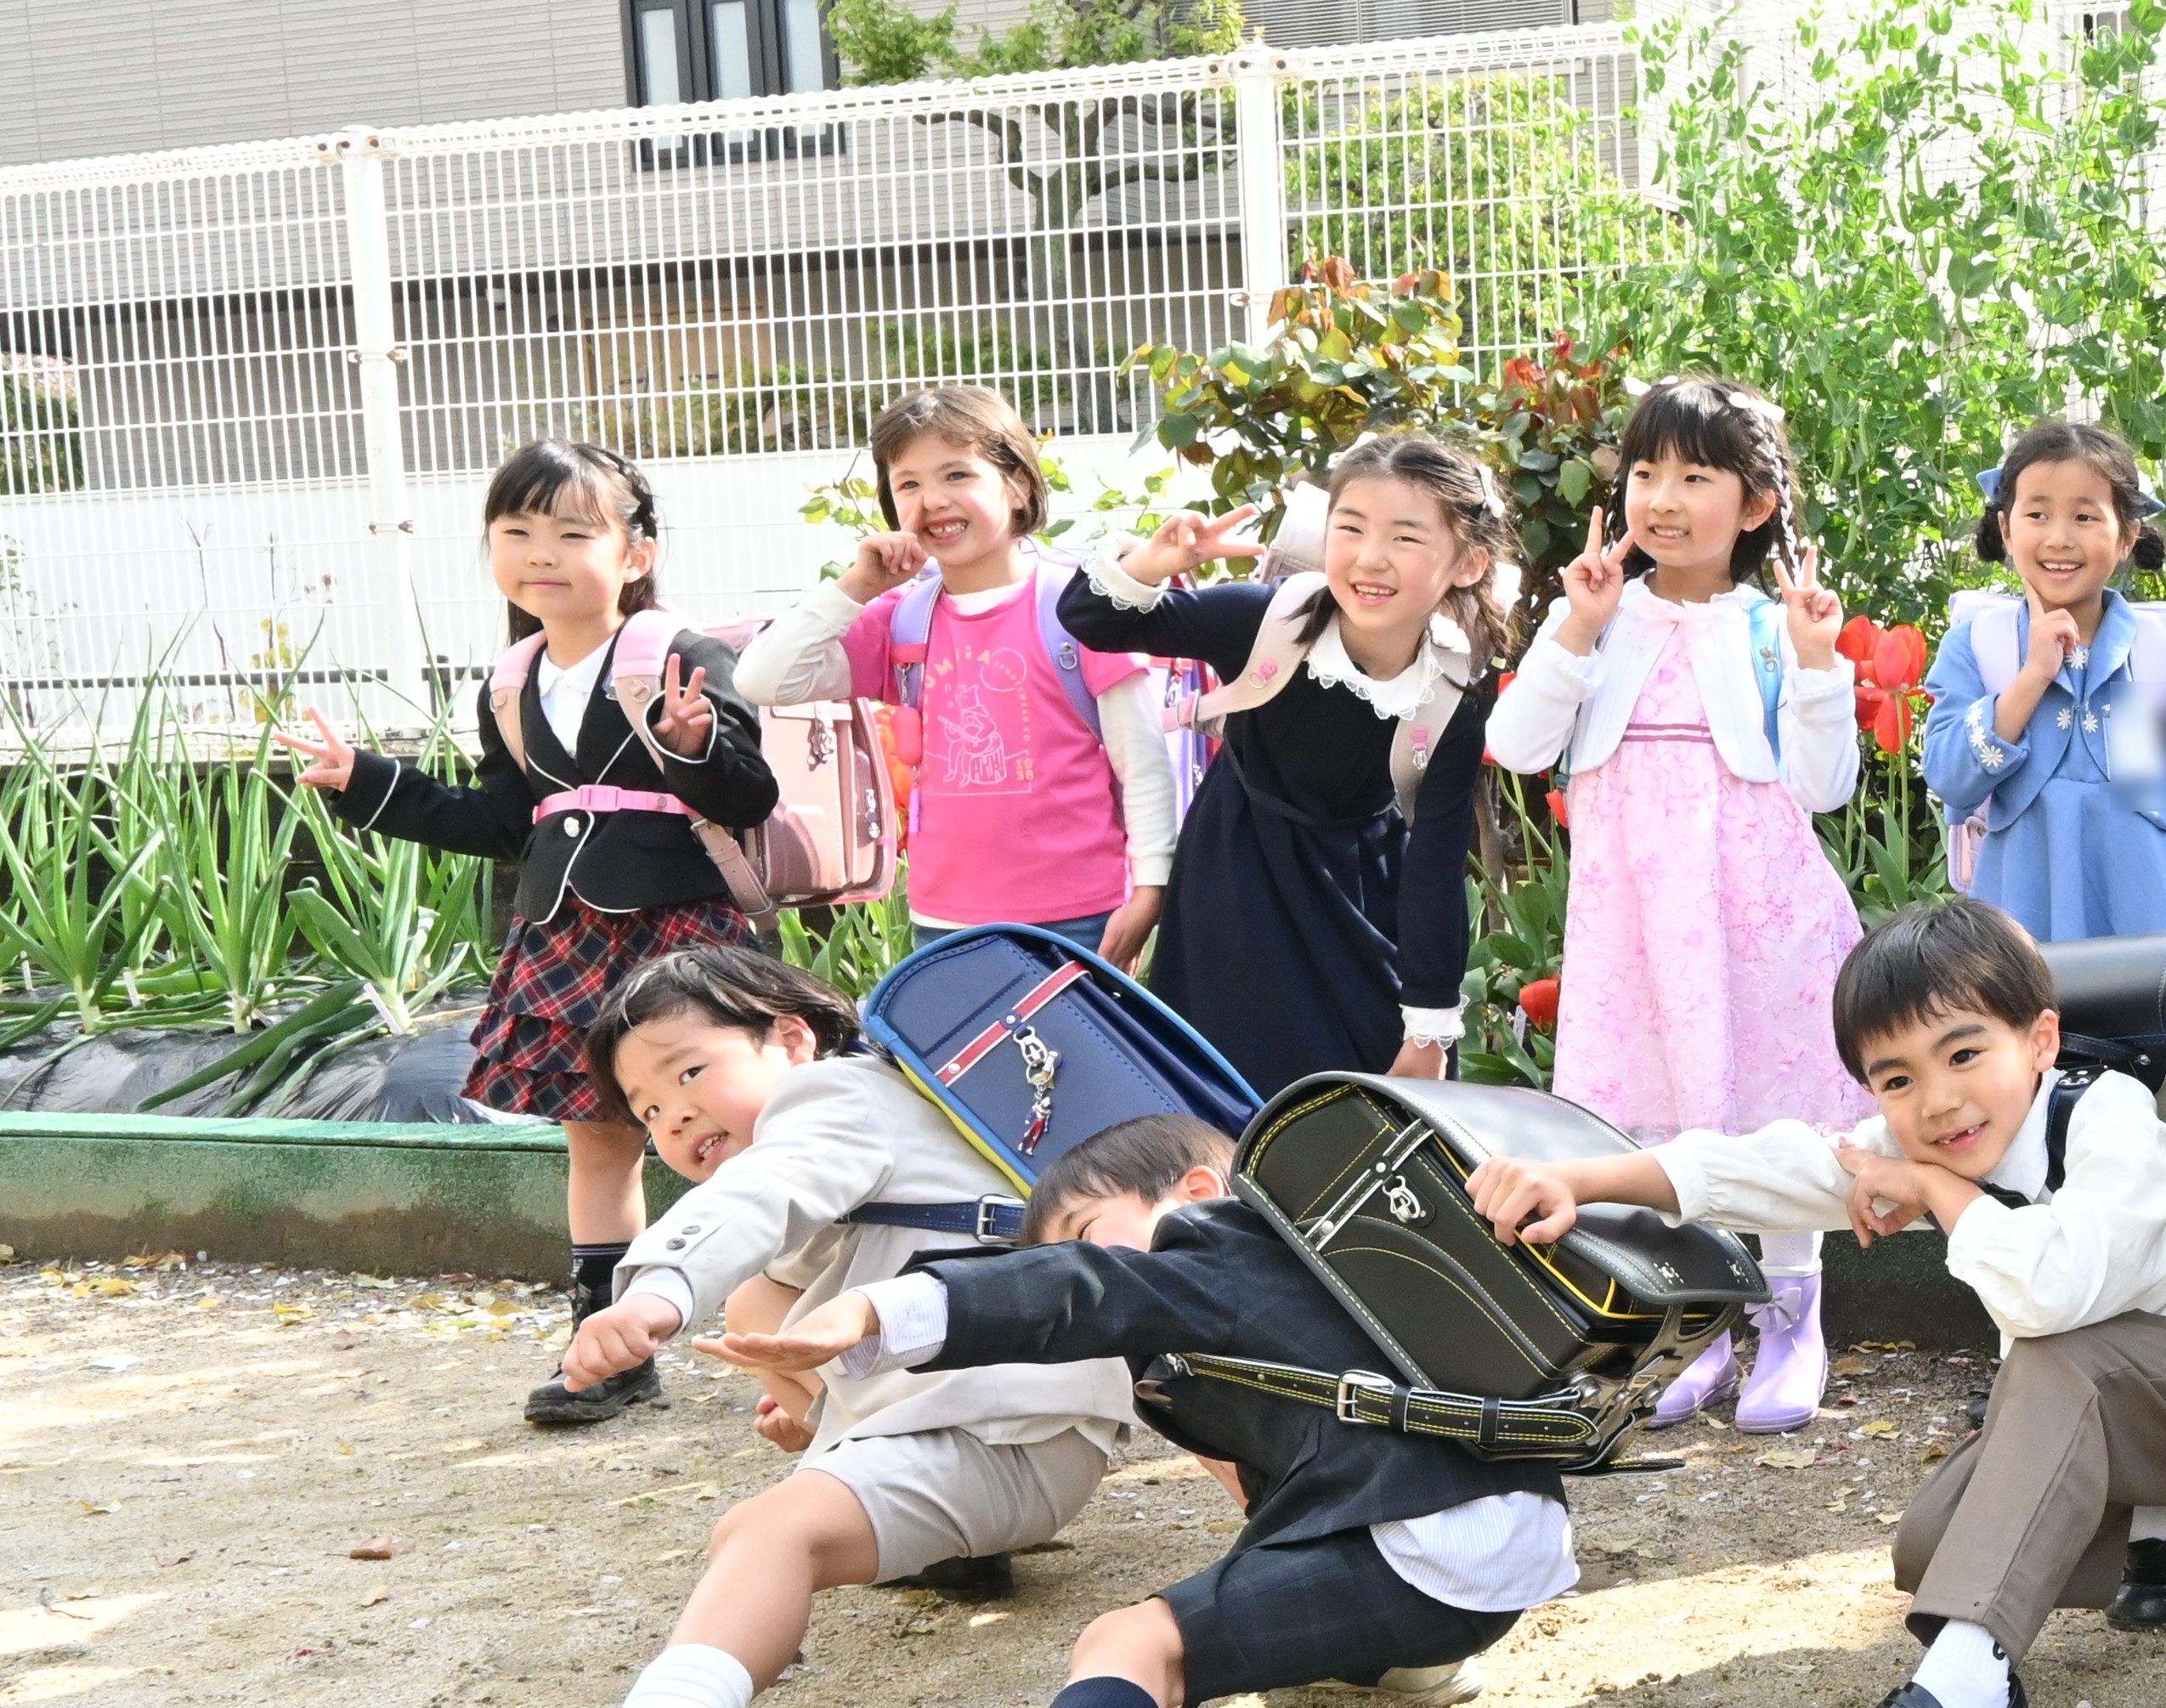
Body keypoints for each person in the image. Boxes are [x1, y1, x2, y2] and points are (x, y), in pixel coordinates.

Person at [1467, 896, 2166, 1708]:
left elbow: (2050, 1293)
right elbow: (1771, 1167)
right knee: (1934, 1551)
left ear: (2040, 1040)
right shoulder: (1923, 1142)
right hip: (2116, 1405)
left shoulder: (2108, 1119)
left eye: (1964, 1054)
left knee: (2054, 1362)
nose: (1938, 1100)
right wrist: (1576, 1180)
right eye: (1897, 1078)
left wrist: (1938, 1191)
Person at [707, 1109, 1567, 1708]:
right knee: (1252, 1579)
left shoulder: (1217, 1239)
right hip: (1495, 1544)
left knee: (1128, 1642)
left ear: (1197, 1191)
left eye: (1087, 1230)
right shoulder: (1321, 1274)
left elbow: (1073, 1290)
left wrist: (870, 1309)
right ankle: (1401, 1661)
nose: (1084, 1259)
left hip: (1417, 1543)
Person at [384, 956, 1159, 1708]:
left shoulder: (836, 1095)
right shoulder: (886, 1121)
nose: (673, 1115)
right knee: (759, 1308)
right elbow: (786, 1278)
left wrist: (656, 1290)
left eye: (688, 1071)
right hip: (1011, 1426)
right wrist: (826, 1423)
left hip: (998, 1426)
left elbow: (761, 1194)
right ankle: (941, 1543)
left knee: (766, 1530)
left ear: (791, 1039)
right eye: (647, 1109)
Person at [284, 438, 773, 1429]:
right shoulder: (511, 681)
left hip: (684, 935)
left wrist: (691, 749)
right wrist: (370, 784)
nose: (540, 552)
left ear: (635, 554)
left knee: (748, 1136)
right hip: (562, 937)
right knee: (598, 1145)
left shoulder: (681, 656)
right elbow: (506, 823)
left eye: (572, 532)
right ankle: (608, 1352)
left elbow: (749, 795)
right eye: (516, 531)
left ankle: (787, 1337)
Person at [1485, 377, 1869, 1436]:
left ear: (1754, 505)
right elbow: (1516, 746)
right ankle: (1695, 1320)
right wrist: (1575, 628)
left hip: (1760, 920)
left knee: (1774, 1104)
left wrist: (1818, 663)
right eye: (1645, 471)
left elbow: (1823, 785)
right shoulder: (1598, 615)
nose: (1661, 497)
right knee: (1659, 1110)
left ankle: (1792, 1319)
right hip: (1636, 928)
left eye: (1696, 476)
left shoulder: (1772, 626)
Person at [1060, 428, 1518, 1098]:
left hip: (1360, 898)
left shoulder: (1450, 691)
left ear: (1469, 564)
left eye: (1405, 537)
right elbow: (1092, 620)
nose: (1370, 558)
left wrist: (1428, 1030)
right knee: (1223, 1086)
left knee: (1361, 1090)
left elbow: (1436, 867)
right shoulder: (1265, 619)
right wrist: (1154, 562)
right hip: (1233, 882)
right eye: (1351, 528)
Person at [731, 382, 1172, 961]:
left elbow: (1142, 761)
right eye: (908, 484)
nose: (933, 500)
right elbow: (762, 679)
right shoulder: (901, 619)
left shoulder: (1081, 607)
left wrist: (1152, 888)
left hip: (1078, 918)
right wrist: (857, 586)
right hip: (941, 922)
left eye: (957, 475)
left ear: (1017, 484)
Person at [1920, 419, 2166, 953]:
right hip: (2016, 950)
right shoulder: (1977, 648)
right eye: (2037, 514)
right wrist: (2033, 676)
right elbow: (1951, 779)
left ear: (2127, 536)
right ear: (2005, 528)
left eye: (2085, 516)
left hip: (2157, 947)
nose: (2059, 538)